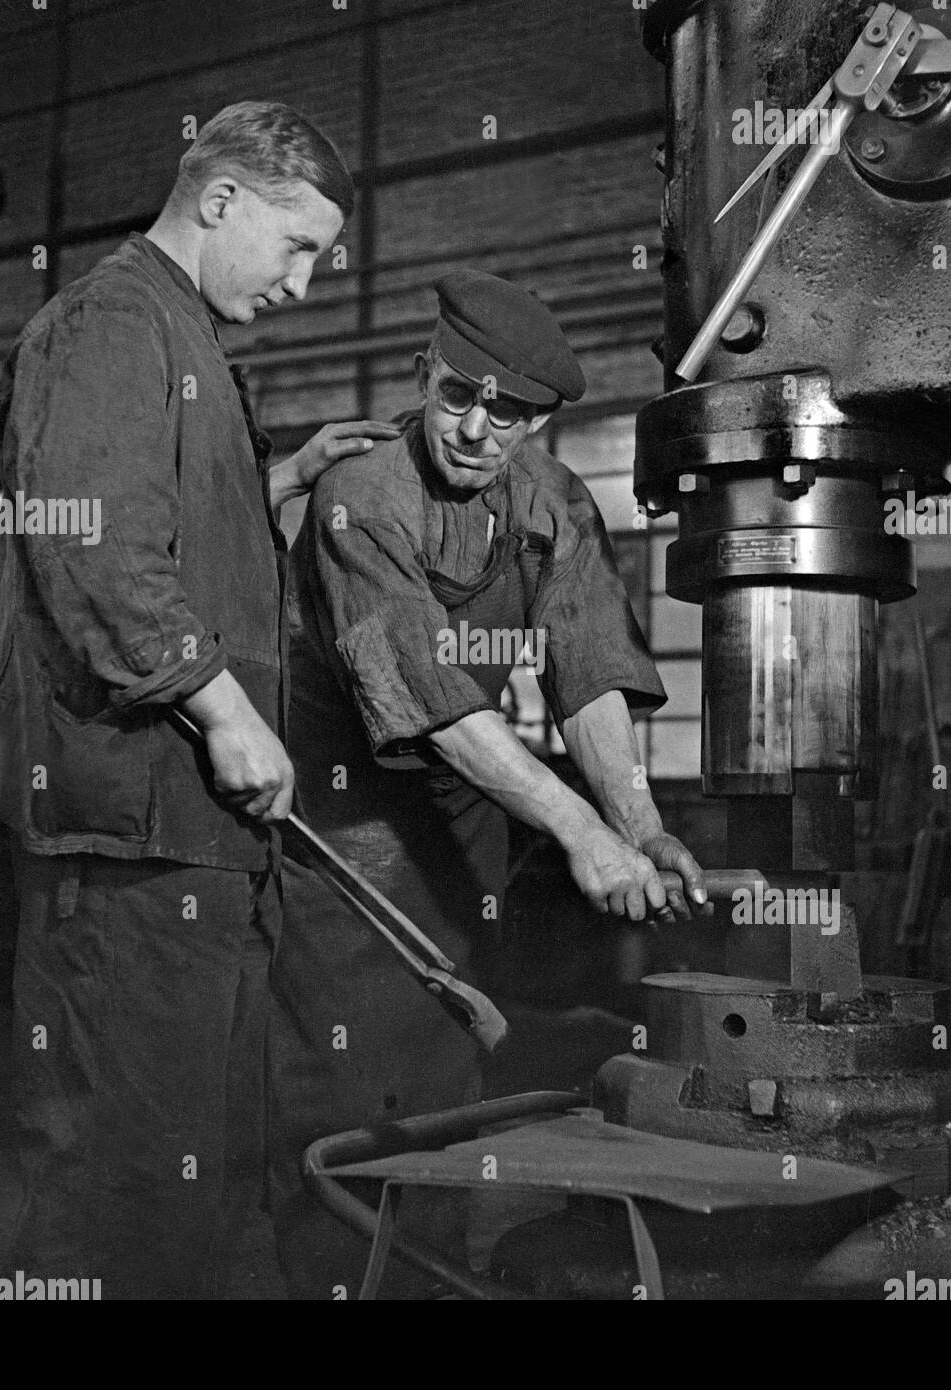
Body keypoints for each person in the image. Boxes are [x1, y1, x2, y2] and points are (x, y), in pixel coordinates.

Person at [0, 101, 398, 1299]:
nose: (305, 281)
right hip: (126, 828)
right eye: (297, 246)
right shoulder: (109, 321)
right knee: (121, 1175)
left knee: (201, 1170)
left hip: (186, 834)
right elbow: (91, 547)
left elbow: (161, 524)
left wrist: (275, 478)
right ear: (221, 198)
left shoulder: (182, 335)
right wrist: (227, 713)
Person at [270, 269, 710, 1296]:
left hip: (462, 820)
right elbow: (427, 692)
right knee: (336, 1088)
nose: (474, 430)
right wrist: (576, 832)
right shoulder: (359, 495)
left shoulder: (552, 499)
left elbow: (587, 667)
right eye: (457, 395)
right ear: (425, 374)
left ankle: (418, 1283)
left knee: (446, 1069)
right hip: (344, 824)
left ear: (539, 421)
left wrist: (636, 824)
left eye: (506, 414)